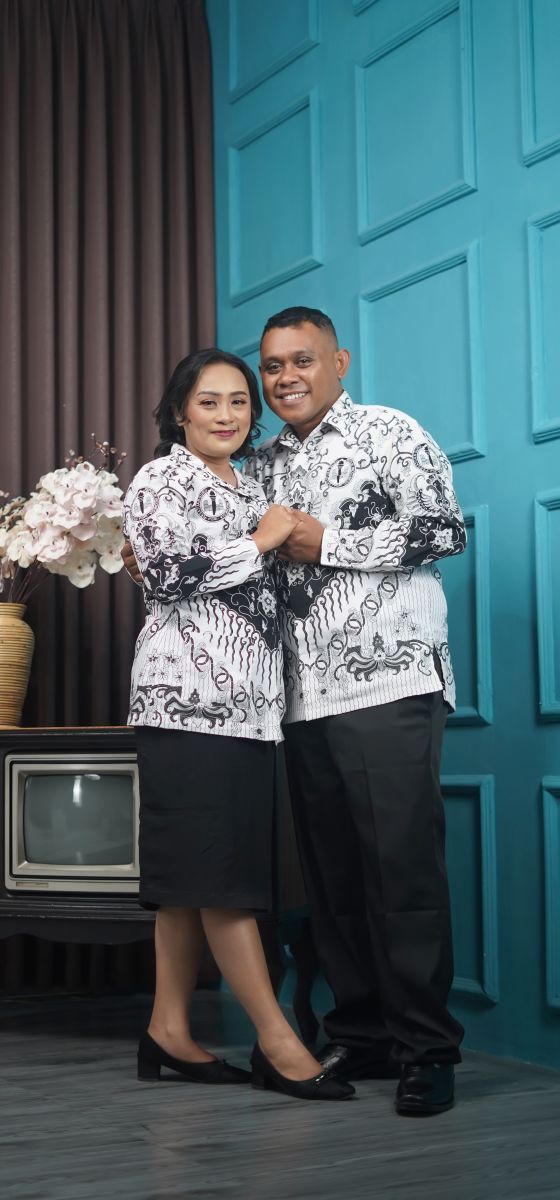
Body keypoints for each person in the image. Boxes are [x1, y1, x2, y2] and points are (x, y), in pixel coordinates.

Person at [243, 306, 466, 1116]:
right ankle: (364, 1036)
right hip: (300, 698)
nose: (286, 377)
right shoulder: (259, 465)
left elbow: (444, 531)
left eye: (302, 360)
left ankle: (427, 1052)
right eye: (273, 365)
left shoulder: (390, 433)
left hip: (389, 685)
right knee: (333, 881)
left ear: (338, 362)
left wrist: (326, 541)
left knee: (400, 875)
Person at [123, 347, 353, 1102]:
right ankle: (278, 1044)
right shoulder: (160, 480)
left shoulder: (251, 484)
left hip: (253, 711)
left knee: (194, 875)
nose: (226, 415)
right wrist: (261, 540)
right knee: (223, 878)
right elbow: (167, 577)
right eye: (208, 402)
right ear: (179, 411)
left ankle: (167, 1030)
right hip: (186, 703)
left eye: (239, 402)